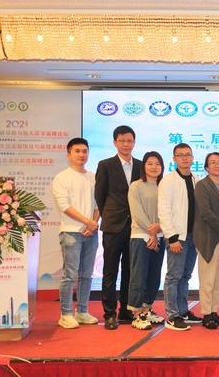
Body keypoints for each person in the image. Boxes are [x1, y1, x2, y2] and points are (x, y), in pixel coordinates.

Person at [94, 125, 141, 329]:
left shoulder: (141, 166)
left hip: (136, 227)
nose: (126, 144)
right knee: (110, 271)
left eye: (129, 140)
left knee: (130, 271)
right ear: (115, 142)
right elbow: (100, 195)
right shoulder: (105, 165)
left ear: (134, 142)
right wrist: (109, 215)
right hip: (113, 226)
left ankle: (126, 310)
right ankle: (110, 313)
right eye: (122, 140)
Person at [52, 138, 100, 329]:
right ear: (68, 154)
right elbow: (65, 206)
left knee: (86, 275)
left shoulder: (93, 177)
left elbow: (98, 204)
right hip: (71, 232)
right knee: (69, 275)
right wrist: (87, 222)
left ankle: (82, 311)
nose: (82, 154)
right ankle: (65, 314)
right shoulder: (62, 177)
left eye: (84, 151)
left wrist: (93, 224)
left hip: (90, 233)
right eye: (77, 151)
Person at [158, 143, 201, 331]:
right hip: (177, 237)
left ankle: (183, 311)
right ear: (174, 158)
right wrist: (172, 237)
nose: (185, 158)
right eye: (180, 155)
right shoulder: (168, 181)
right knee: (173, 276)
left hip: (193, 236)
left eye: (188, 155)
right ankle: (172, 315)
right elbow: (164, 211)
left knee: (185, 275)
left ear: (192, 158)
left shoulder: (197, 180)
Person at [126, 151, 167, 330]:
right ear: (143, 166)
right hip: (141, 236)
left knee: (154, 276)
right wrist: (152, 233)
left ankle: (147, 310)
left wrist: (159, 229)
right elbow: (137, 213)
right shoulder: (136, 186)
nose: (154, 167)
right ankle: (136, 314)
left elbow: (168, 212)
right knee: (139, 277)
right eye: (150, 163)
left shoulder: (164, 187)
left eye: (158, 163)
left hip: (160, 236)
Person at [193, 152, 219, 330]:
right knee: (207, 278)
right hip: (210, 237)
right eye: (213, 162)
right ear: (206, 167)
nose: (217, 165)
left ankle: (214, 311)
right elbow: (205, 212)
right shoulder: (202, 185)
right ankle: (206, 314)